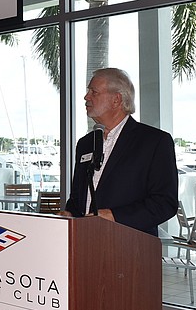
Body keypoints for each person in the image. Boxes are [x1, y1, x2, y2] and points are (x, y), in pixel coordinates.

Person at [62, 67, 177, 236]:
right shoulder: (85, 144)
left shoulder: (154, 142)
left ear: (116, 99)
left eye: (94, 92)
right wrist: (70, 214)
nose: (86, 97)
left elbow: (165, 203)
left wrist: (115, 216)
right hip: (85, 244)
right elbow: (77, 198)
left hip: (130, 248)